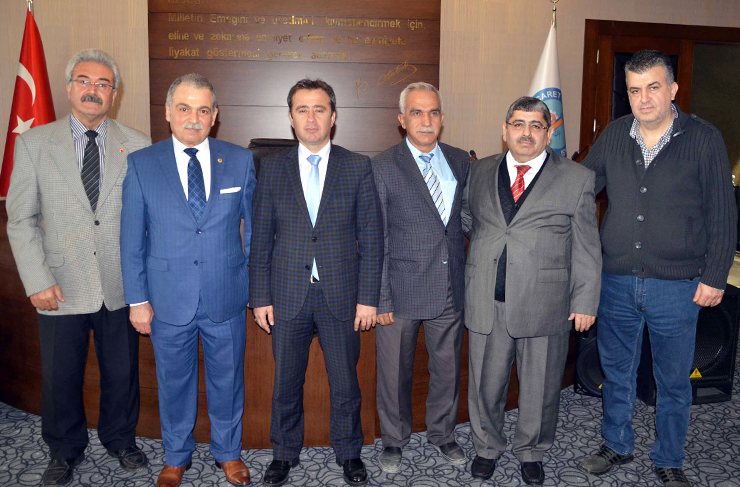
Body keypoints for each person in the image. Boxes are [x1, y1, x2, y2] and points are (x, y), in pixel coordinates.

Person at [580, 50, 737, 487]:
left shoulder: (703, 138)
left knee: (672, 381)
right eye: (634, 90)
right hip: (617, 281)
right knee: (616, 371)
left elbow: (723, 215)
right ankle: (617, 443)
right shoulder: (615, 133)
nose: (644, 98)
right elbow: (580, 188)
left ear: (672, 89)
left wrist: (714, 276)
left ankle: (669, 457)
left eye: (653, 87)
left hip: (677, 286)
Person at [6, 49, 150, 486]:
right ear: (69, 88)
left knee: (122, 373)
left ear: (114, 94)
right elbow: (21, 219)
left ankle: (121, 439)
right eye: (84, 81)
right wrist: (37, 279)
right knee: (61, 376)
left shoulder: (139, 144)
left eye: (103, 84)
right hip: (59, 284)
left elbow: (147, 219)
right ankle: (64, 450)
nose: (93, 90)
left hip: (119, 283)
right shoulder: (34, 143)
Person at [120, 74, 256, 487]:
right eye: (184, 108)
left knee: (227, 381)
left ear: (215, 116)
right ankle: (176, 456)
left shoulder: (239, 160)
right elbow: (131, 238)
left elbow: (254, 229)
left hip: (225, 294)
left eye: (202, 110)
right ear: (168, 112)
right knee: (174, 383)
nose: (193, 118)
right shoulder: (142, 164)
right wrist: (137, 300)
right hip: (167, 298)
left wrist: (254, 285)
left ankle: (228, 453)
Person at [250, 78, 383, 487]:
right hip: (287, 295)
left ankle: (349, 453)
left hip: (341, 296)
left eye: (319, 109)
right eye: (302, 110)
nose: (311, 118)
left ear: (333, 117)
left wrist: (368, 299)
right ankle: (284, 454)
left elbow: (372, 238)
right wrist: (260, 297)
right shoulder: (272, 167)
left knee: (345, 384)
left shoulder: (357, 166)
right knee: (285, 384)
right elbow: (261, 238)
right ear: (291, 118)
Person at [462, 96, 602, 485]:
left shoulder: (576, 178)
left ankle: (532, 451)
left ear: (548, 132)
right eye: (518, 124)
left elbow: (587, 246)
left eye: (536, 125)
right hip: (487, 297)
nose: (526, 132)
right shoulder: (479, 170)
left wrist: (585, 300)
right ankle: (486, 447)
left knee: (540, 386)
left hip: (546, 302)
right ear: (505, 130)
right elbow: (469, 218)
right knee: (484, 383)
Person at [370, 82, 470, 473]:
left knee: (447, 369)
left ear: (442, 118)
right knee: (394, 373)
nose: (425, 120)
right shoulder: (382, 165)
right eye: (416, 112)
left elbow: (465, 220)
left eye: (432, 113)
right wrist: (380, 297)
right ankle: (394, 440)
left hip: (450, 286)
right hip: (399, 289)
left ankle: (443, 434)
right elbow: (376, 236)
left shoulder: (460, 160)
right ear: (402, 120)